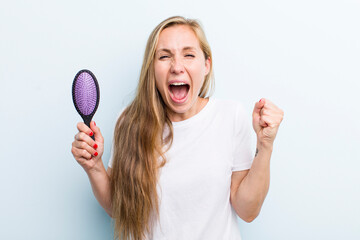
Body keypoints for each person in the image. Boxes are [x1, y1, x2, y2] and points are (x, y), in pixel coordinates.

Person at [71, 16, 284, 240]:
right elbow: (118, 208)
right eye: (164, 56)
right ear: (152, 69)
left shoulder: (230, 116)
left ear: (206, 65)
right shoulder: (128, 121)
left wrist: (265, 146)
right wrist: (94, 167)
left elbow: (247, 211)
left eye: (189, 55)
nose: (177, 67)